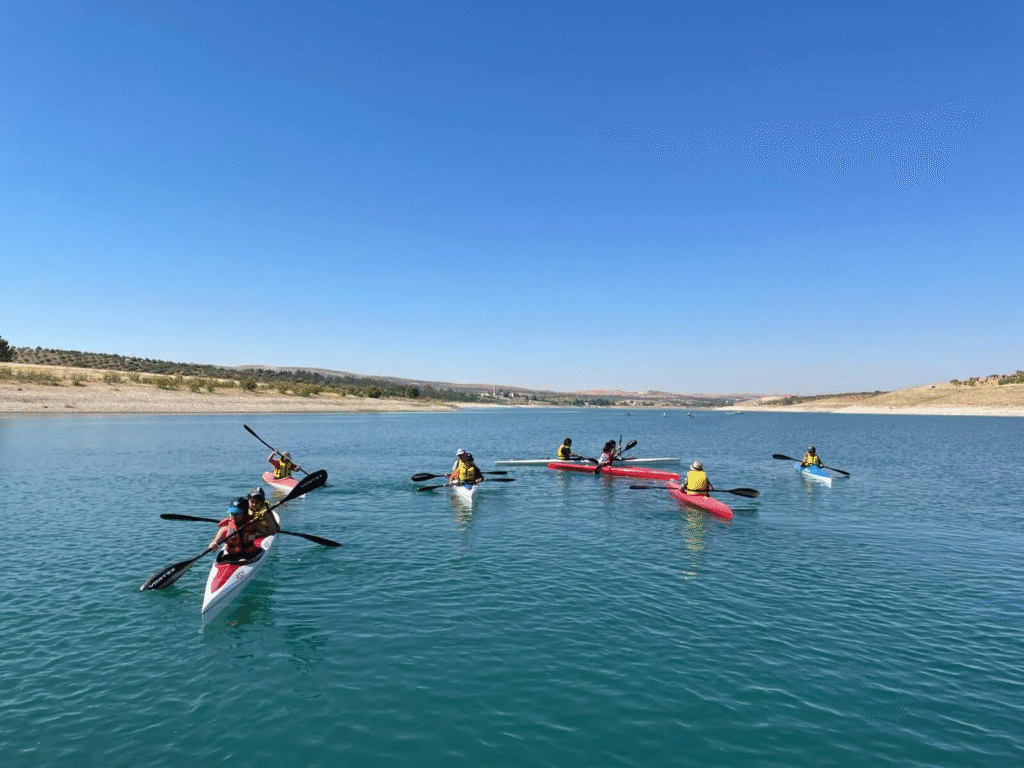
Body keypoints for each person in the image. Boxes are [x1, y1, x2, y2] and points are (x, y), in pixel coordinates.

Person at [208, 496, 278, 560]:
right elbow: (220, 535)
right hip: (230, 556)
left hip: (249, 555)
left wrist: (268, 517)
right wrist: (214, 543)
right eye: (232, 512)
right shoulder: (227, 527)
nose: (233, 516)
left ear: (245, 512)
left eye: (237, 513)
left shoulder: (253, 524)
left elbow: (271, 532)